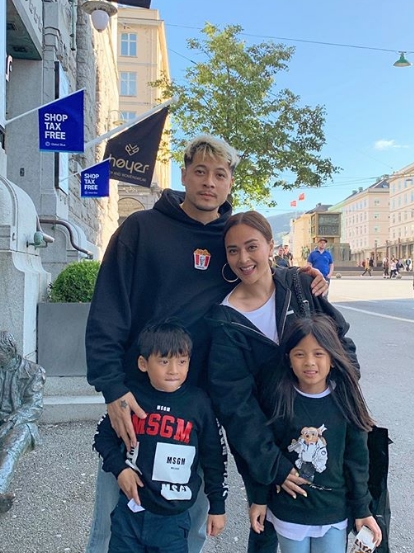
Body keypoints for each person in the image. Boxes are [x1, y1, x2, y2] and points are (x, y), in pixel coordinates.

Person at [85, 134, 327, 553]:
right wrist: (112, 388)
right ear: (184, 175)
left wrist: (301, 276)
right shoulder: (140, 230)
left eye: (219, 174)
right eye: (200, 171)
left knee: (189, 526)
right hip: (139, 399)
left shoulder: (229, 241)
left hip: (199, 405)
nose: (209, 182)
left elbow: (260, 272)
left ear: (230, 182)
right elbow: (107, 310)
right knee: (117, 522)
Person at [207, 212, 359, 552]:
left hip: (320, 430)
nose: (243, 258)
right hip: (266, 443)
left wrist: (339, 397)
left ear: (270, 246)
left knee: (332, 514)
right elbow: (235, 404)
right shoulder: (225, 321)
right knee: (264, 528)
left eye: (252, 247)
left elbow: (341, 345)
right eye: (233, 250)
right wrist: (270, 464)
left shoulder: (301, 286)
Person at [249, 314, 382, 553]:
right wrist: (259, 498)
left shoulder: (346, 400)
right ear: (289, 359)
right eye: (300, 354)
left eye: (319, 353)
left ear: (333, 358)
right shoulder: (279, 398)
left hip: (333, 512)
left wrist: (363, 509)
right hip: (289, 512)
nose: (309, 362)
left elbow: (357, 460)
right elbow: (265, 450)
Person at [93, 321, 227, 553]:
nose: (173, 370)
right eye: (164, 361)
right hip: (130, 513)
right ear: (143, 363)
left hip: (173, 521)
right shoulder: (132, 398)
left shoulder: (199, 404)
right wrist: (120, 469)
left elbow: (214, 457)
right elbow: (101, 437)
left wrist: (217, 506)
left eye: (182, 361)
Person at [0, 331, 46, 512]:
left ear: (9, 351)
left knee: (10, 448)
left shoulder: (34, 372)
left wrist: (9, 423)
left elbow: (34, 407)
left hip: (21, 422)